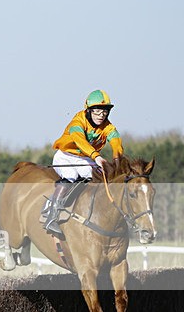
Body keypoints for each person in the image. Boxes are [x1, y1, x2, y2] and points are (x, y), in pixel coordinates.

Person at [44, 89, 125, 234]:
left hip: (86, 158)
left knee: (101, 178)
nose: (101, 115)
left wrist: (117, 160)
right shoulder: (77, 122)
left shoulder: (108, 127)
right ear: (88, 110)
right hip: (65, 156)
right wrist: (96, 156)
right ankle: (51, 215)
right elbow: (80, 141)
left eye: (105, 112)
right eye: (97, 111)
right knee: (71, 177)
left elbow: (116, 142)